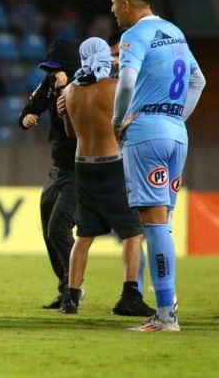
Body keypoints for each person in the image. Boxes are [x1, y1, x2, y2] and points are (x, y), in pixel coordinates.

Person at [110, 0, 206, 332]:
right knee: (161, 222)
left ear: (124, 4)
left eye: (113, 4)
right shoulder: (175, 32)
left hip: (146, 133)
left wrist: (118, 120)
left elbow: (127, 81)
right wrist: (174, 116)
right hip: (176, 134)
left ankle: (166, 315)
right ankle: (166, 309)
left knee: (153, 225)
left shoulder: (134, 35)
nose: (112, 11)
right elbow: (199, 81)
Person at [59, 37, 154, 317]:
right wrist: (134, 117)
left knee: (84, 236)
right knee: (133, 233)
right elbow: (120, 127)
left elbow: (70, 133)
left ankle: (71, 298)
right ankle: (129, 295)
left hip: (82, 166)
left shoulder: (70, 91)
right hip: (110, 165)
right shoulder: (113, 88)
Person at [19, 39, 80, 309]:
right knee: (48, 230)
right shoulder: (49, 84)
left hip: (80, 169)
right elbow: (29, 108)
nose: (52, 73)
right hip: (57, 168)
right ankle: (65, 285)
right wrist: (27, 119)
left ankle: (73, 287)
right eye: (50, 69)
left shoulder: (84, 86)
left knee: (58, 228)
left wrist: (65, 89)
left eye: (56, 68)